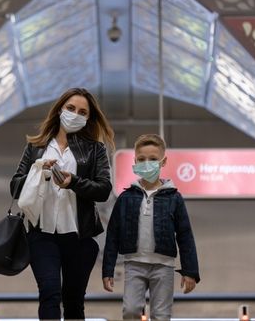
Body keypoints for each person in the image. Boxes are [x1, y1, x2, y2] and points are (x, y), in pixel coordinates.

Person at [10, 87, 115, 320]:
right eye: (70, 108)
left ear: (88, 118)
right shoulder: (37, 147)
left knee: (73, 301)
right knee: (49, 293)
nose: (75, 114)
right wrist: (38, 171)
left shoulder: (95, 149)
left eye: (82, 112)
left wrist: (73, 182)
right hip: (41, 235)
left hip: (79, 237)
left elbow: (103, 190)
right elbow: (14, 187)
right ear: (59, 110)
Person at [102, 134, 200, 321]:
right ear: (135, 161)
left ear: (163, 162)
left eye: (153, 159)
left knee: (161, 315)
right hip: (134, 264)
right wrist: (108, 270)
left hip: (164, 266)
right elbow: (113, 235)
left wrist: (190, 271)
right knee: (130, 311)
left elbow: (185, 236)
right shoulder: (125, 198)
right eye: (141, 159)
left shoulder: (174, 198)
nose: (147, 163)